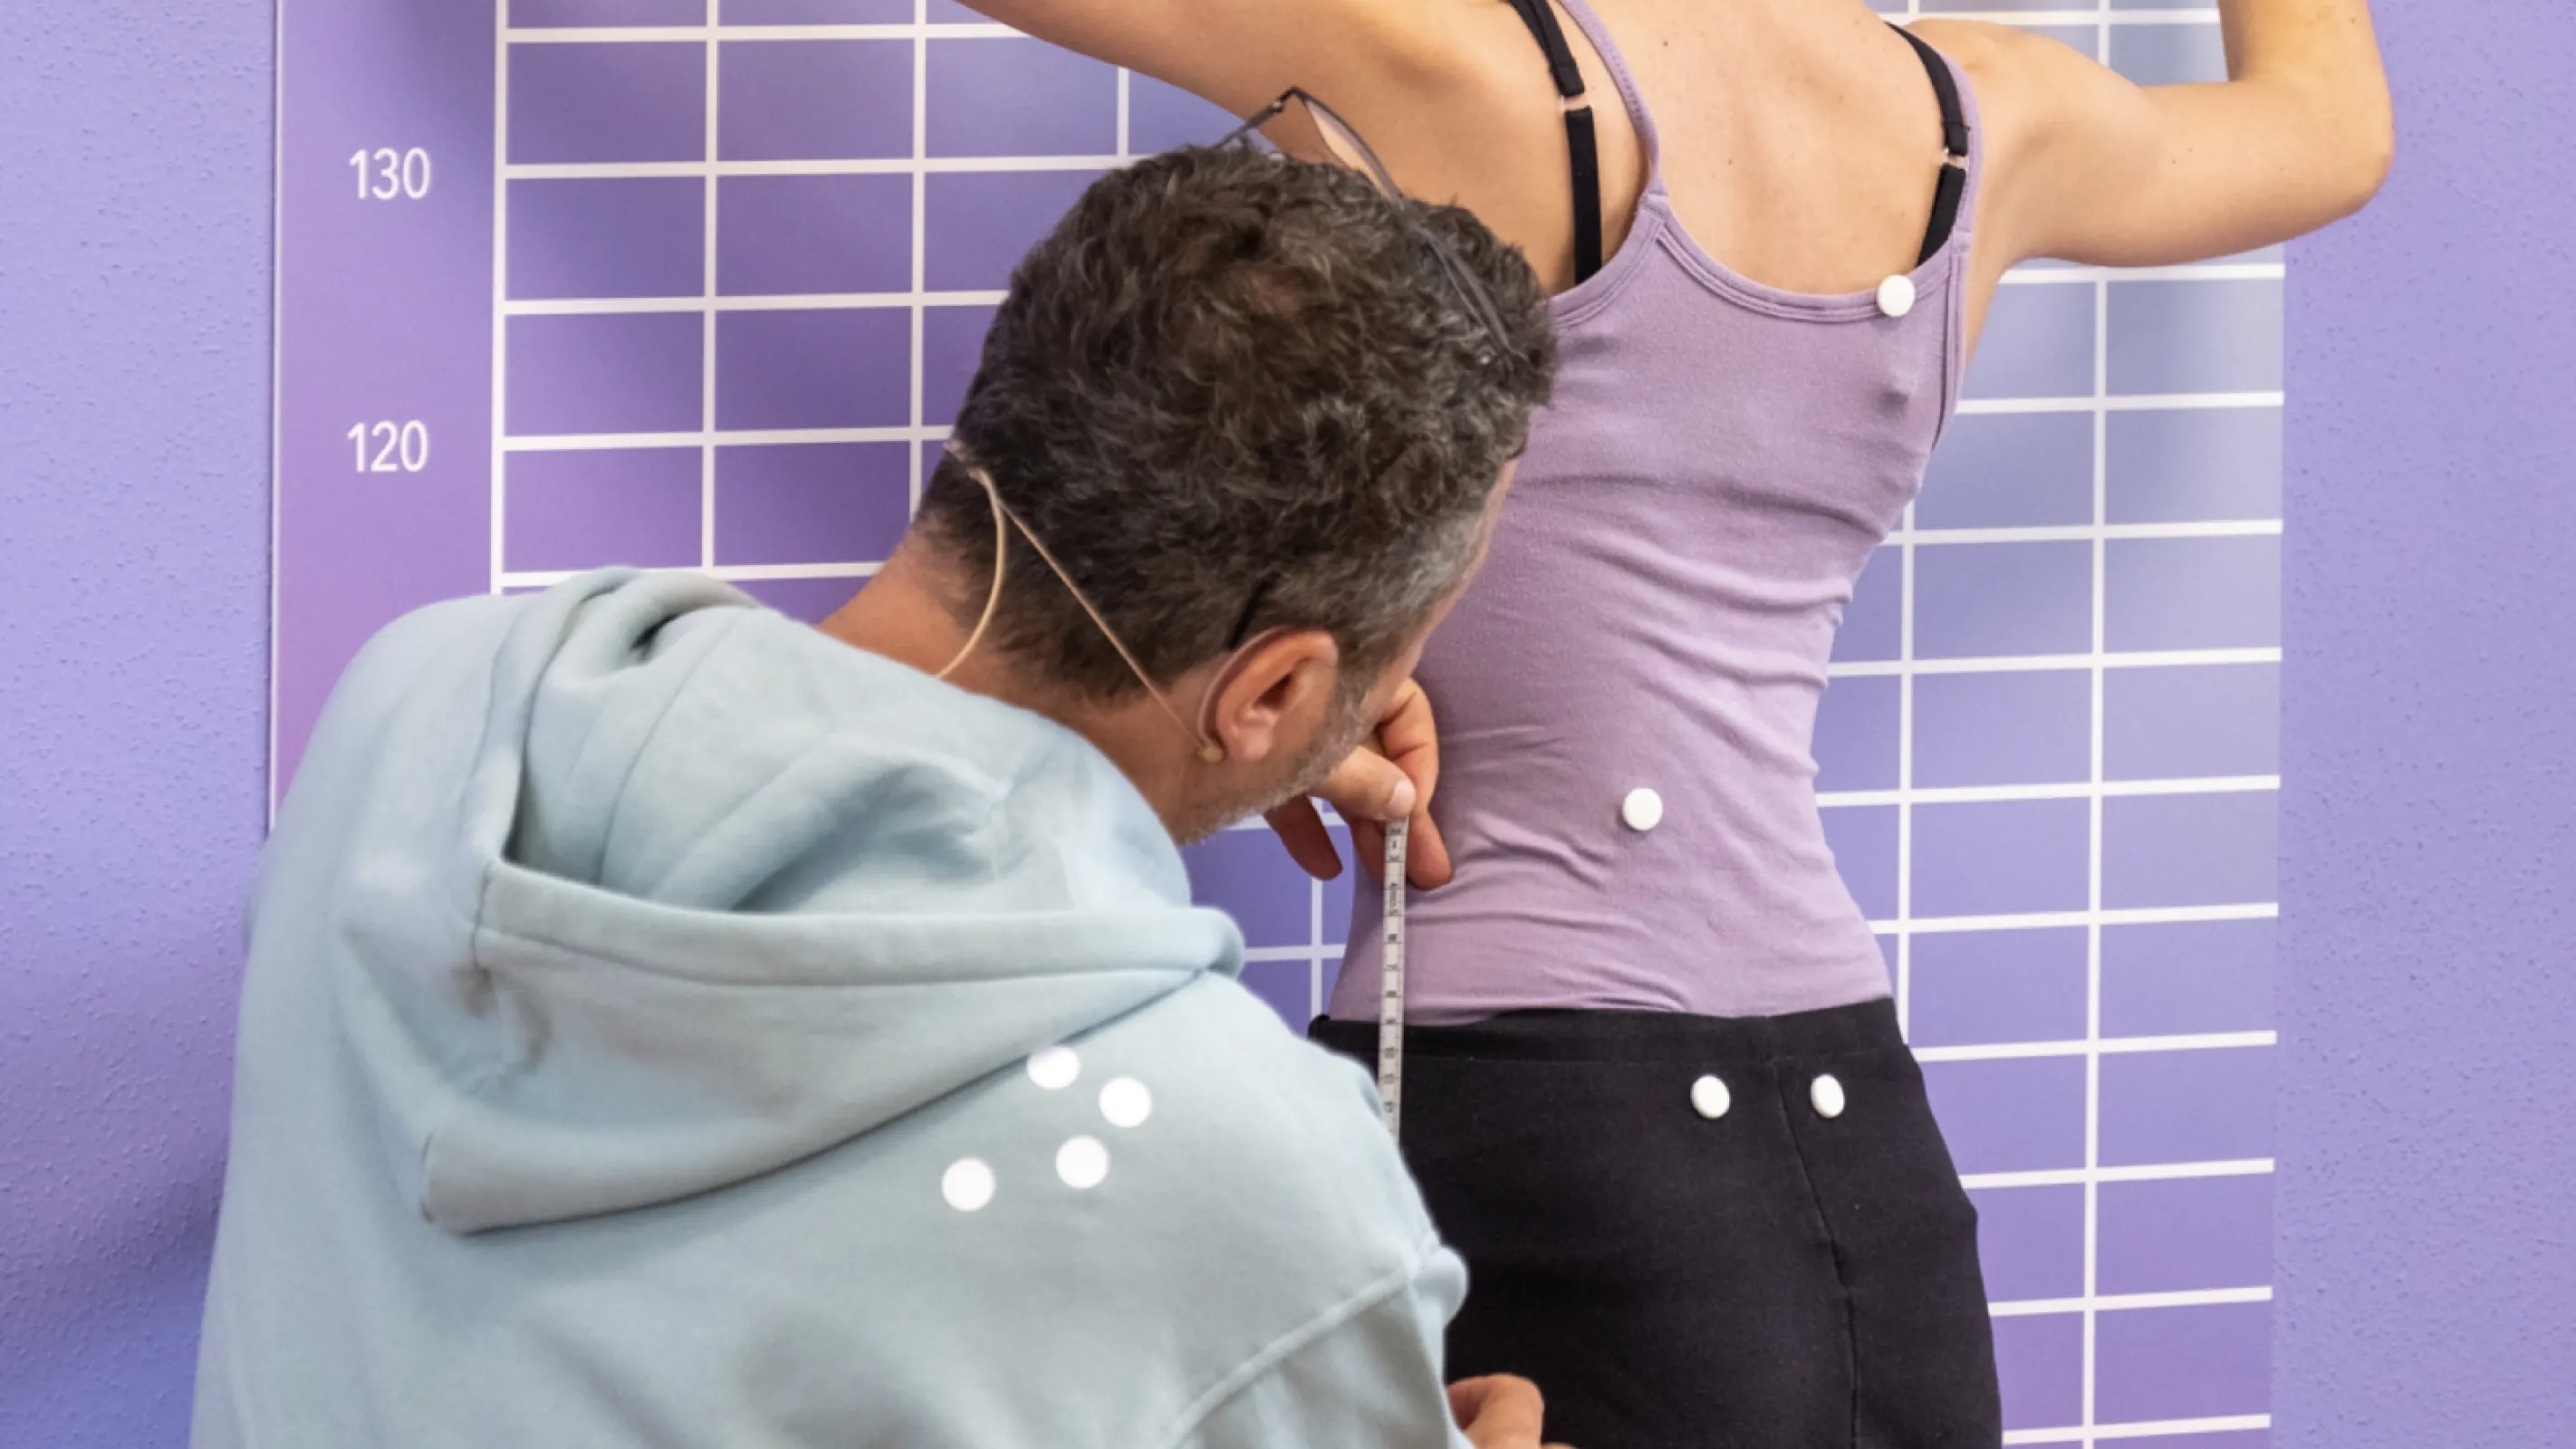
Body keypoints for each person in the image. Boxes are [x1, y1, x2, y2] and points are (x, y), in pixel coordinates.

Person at [952, 1, 2396, 1444]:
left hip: (1532, 1137)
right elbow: (2331, 129)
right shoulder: (1987, 117)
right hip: (1870, 1169)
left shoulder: (1456, 65)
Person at [190, 145, 1565, 1447]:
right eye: (1415, 637)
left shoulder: (421, 713)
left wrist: (1264, 723)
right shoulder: (1255, 1181)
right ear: (1269, 689)